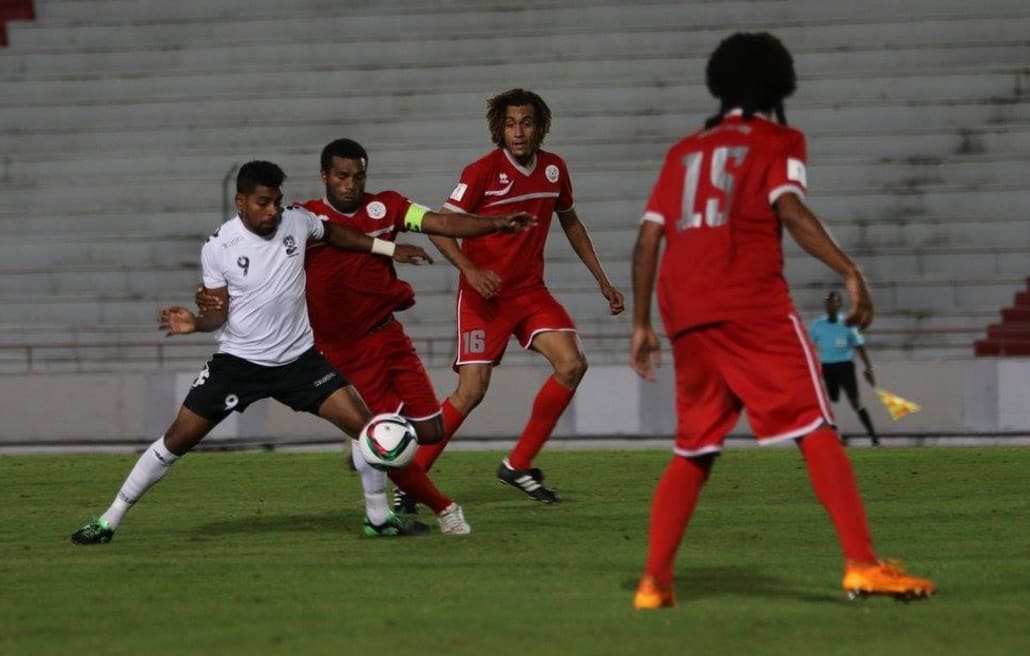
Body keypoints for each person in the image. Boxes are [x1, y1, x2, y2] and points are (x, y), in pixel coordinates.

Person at [628, 33, 935, 607]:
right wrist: (850, 270)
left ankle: (654, 582)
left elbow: (648, 239)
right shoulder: (780, 139)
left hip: (684, 310)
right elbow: (789, 209)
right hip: (750, 304)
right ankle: (862, 564)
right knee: (814, 425)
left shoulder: (684, 151)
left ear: (719, 84)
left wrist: (641, 322)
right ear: (779, 84)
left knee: (694, 448)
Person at [70, 160, 463, 545]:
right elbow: (218, 313)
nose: (273, 210)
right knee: (175, 441)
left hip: (300, 361)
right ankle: (109, 519)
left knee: (368, 431)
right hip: (239, 364)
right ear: (240, 201)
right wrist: (196, 323)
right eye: (263, 202)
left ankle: (378, 518)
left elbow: (336, 234)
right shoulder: (219, 247)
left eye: (276, 200)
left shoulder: (295, 220)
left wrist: (385, 248)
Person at [197, 138, 535, 537]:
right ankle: (432, 507)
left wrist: (495, 223)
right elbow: (257, 266)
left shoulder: (388, 207)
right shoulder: (302, 220)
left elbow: (440, 223)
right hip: (341, 351)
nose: (350, 184)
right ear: (325, 176)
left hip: (389, 336)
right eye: (341, 176)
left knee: (430, 431)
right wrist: (218, 302)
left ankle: (366, 453)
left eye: (358, 176)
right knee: (381, 440)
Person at [408, 88, 625, 505]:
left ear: (539, 125)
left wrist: (602, 278)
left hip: (529, 292)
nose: (519, 132)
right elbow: (438, 227)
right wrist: (470, 270)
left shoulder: (554, 170)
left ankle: (519, 463)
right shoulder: (481, 172)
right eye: (510, 124)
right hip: (483, 298)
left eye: (526, 123)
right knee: (471, 391)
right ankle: (412, 478)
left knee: (572, 363)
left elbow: (572, 223)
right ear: (499, 129)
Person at [810, 290, 881, 446]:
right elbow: (808, 346)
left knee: (855, 402)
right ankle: (833, 437)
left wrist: (869, 368)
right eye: (828, 302)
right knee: (827, 402)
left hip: (845, 366)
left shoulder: (848, 323)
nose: (830, 305)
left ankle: (874, 438)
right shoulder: (817, 326)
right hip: (827, 367)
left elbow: (860, 346)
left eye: (833, 302)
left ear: (839, 304)